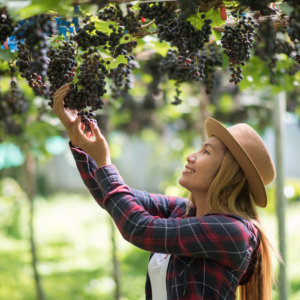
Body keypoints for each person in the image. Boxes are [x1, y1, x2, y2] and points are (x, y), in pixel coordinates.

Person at [53, 84, 277, 300]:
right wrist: (77, 137)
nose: (192, 156)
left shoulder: (233, 231)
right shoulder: (181, 211)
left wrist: (104, 162)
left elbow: (137, 227)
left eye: (206, 152)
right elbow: (111, 196)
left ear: (228, 174)